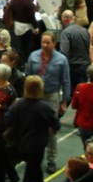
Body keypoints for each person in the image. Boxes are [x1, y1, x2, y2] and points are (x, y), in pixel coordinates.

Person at [4, 76, 60, 182]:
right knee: (29, 178)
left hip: (20, 144)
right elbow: (55, 124)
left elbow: (7, 120)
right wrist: (52, 130)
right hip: (36, 146)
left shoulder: (18, 104)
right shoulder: (44, 107)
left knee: (35, 170)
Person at [25, 32, 69, 171]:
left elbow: (66, 81)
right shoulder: (33, 56)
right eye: (43, 42)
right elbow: (27, 77)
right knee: (34, 128)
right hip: (34, 97)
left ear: (54, 43)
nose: (44, 45)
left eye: (47, 42)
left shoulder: (62, 59)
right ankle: (34, 157)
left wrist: (64, 102)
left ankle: (51, 159)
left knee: (51, 130)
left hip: (51, 96)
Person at [57, 10, 90, 102]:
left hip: (73, 68)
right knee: (83, 94)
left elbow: (64, 52)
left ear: (64, 20)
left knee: (71, 95)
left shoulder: (66, 32)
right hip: (85, 65)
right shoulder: (84, 30)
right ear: (73, 18)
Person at [69, 64, 93, 144]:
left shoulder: (79, 87)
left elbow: (74, 106)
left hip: (82, 125)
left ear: (87, 74)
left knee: (86, 149)